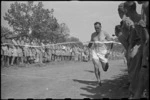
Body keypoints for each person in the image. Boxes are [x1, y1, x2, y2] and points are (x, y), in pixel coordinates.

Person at [88, 22, 113, 86]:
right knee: (96, 66)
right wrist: (87, 48)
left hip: (103, 51)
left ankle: (106, 63)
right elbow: (90, 43)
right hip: (95, 51)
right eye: (95, 28)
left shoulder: (104, 33)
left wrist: (109, 51)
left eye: (98, 28)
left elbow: (111, 42)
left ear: (101, 27)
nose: (96, 29)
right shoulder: (93, 34)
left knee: (105, 69)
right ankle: (98, 80)